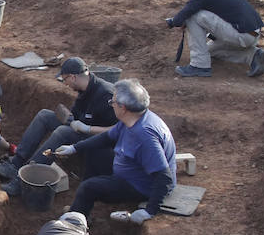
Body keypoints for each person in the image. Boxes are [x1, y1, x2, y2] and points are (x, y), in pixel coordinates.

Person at [56, 78, 175, 224]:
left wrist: (149, 211)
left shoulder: (144, 136)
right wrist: (74, 148)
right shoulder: (134, 119)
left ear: (123, 107)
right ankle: (81, 209)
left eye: (112, 102)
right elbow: (106, 137)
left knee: (88, 187)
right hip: (134, 169)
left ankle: (74, 224)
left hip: (141, 185)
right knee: (94, 152)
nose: (111, 105)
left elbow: (164, 177)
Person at [0, 57, 116, 193]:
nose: (65, 84)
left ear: (73, 77)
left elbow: (119, 130)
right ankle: (17, 162)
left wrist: (88, 128)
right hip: (84, 130)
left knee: (63, 132)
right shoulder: (84, 90)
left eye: (65, 79)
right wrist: (68, 117)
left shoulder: (105, 94)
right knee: (44, 116)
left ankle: (26, 178)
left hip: (103, 143)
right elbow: (77, 114)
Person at [165, 0, 264, 78]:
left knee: (193, 17)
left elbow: (180, 18)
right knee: (209, 51)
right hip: (252, 33)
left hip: (243, 35)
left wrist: (171, 22)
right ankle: (253, 56)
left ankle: (199, 66)